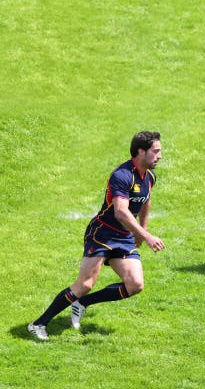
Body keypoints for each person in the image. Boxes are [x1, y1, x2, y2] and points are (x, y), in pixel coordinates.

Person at [27, 131, 165, 340]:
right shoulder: (122, 175)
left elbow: (146, 200)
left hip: (125, 236)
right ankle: (38, 324)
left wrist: (140, 230)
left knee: (135, 285)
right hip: (103, 234)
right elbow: (120, 212)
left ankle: (82, 303)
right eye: (155, 151)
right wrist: (146, 235)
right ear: (140, 151)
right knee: (84, 284)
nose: (160, 156)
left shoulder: (149, 176)